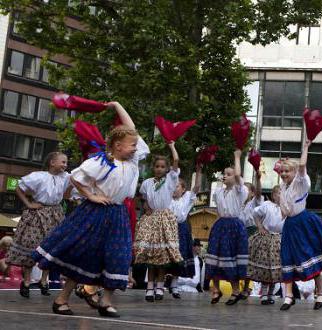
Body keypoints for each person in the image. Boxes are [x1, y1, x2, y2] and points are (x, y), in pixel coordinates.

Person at [33, 101, 149, 317]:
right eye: (131, 144)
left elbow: (131, 128)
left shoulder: (132, 161)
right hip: (97, 212)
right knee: (84, 254)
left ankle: (105, 302)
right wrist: (91, 195)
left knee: (119, 255)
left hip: (118, 213)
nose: (135, 147)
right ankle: (61, 299)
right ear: (117, 145)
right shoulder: (103, 160)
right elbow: (77, 177)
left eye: (135, 144)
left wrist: (117, 106)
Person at [278, 139, 322, 311]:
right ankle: (288, 295)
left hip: (303, 222)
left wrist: (306, 147)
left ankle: (320, 291)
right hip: (290, 225)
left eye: (287, 171)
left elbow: (303, 165)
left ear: (295, 172)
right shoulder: (283, 186)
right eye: (282, 171)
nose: (284, 174)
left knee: (309, 257)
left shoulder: (302, 181)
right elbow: (284, 209)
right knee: (287, 257)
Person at [7, 152, 71, 298]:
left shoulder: (65, 178)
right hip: (38, 212)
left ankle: (44, 281)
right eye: (62, 162)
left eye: (66, 163)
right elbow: (18, 187)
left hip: (55, 213)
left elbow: (79, 178)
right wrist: (29, 203)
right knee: (31, 246)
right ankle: (27, 281)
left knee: (50, 248)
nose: (65, 165)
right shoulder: (38, 176)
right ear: (52, 163)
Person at [134, 143, 183, 302]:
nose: (159, 169)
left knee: (162, 256)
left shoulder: (170, 180)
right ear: (153, 167)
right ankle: (149, 287)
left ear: (167, 169)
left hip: (164, 218)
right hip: (151, 218)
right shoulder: (147, 182)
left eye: (163, 166)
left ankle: (160, 286)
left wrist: (172, 146)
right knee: (150, 255)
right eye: (157, 166)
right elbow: (143, 197)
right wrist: (146, 206)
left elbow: (176, 161)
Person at [205, 148, 249, 305]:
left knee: (231, 258)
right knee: (214, 257)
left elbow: (237, 176)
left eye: (228, 174)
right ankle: (216, 290)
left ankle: (236, 290)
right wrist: (214, 225)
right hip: (221, 225)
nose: (225, 176)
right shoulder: (218, 192)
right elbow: (218, 211)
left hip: (234, 226)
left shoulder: (240, 190)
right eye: (224, 173)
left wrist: (237, 156)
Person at [169, 164, 202, 298]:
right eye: (173, 186)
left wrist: (198, 171)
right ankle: (157, 285)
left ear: (183, 189)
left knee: (180, 256)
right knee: (165, 256)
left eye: (177, 186)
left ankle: (174, 285)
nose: (174, 189)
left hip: (181, 228)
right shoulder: (166, 199)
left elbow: (197, 188)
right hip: (168, 228)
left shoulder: (187, 197)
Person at [247, 185, 284, 305]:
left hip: (279, 238)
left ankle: (271, 294)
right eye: (279, 193)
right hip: (266, 238)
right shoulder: (267, 205)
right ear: (274, 195)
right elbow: (255, 213)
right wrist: (260, 226)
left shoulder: (286, 208)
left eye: (283, 193)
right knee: (265, 266)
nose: (281, 195)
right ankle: (263, 293)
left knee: (277, 268)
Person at [238, 174, 265, 302]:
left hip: (252, 231)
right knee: (239, 260)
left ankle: (248, 287)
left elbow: (259, 193)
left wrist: (258, 179)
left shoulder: (254, 202)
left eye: (247, 190)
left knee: (250, 260)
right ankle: (238, 287)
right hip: (240, 232)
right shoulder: (238, 204)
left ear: (252, 193)